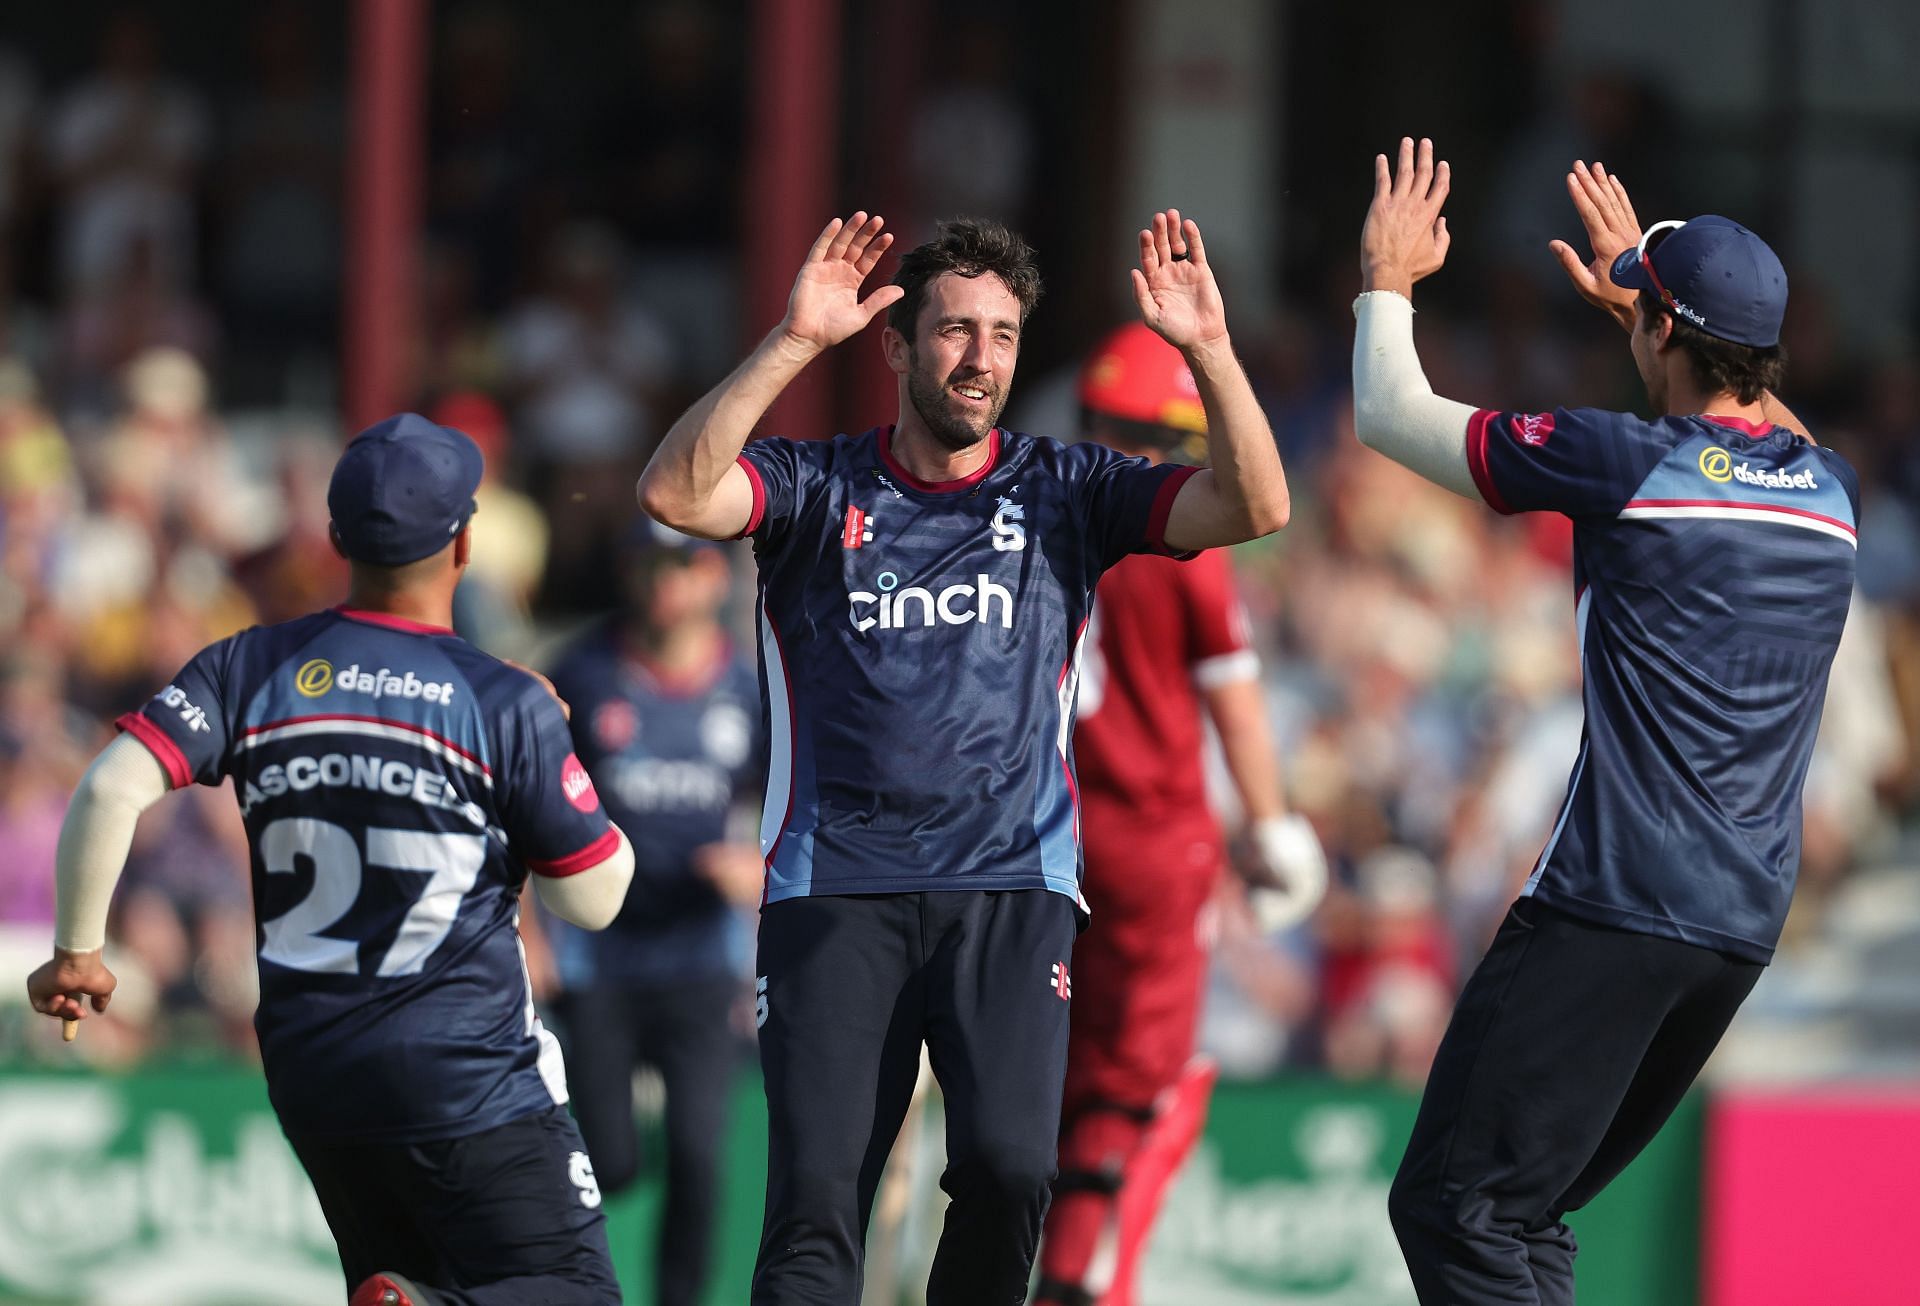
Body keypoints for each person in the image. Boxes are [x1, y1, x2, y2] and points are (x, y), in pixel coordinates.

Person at [636, 209, 1291, 1304]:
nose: (978, 358)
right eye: (951, 331)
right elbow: (674, 492)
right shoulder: (815, 484)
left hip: (1011, 885)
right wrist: (792, 342)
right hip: (835, 884)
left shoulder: (1067, 488)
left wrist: (1209, 351)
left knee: (1010, 1169)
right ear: (896, 346)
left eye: (1001, 334)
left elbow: (1257, 503)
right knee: (817, 1201)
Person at [1352, 139, 1857, 1302]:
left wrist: (1386, 275)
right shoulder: (1833, 491)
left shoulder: (1625, 460)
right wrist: (1654, 287)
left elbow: (1386, 414)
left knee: (1456, 1206)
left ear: (1662, 333)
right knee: (1527, 1214)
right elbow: (1766, 420)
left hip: (1613, 903)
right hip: (1736, 929)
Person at [26, 413, 638, 1306]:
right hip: (468, 1076)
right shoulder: (502, 698)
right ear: (466, 543)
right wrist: (556, 758)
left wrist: (79, 951)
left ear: (336, 536)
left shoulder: (246, 664)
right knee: (571, 1292)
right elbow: (594, 902)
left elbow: (110, 789)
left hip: (316, 1075)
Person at [1032, 323, 1328, 1306]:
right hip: (1157, 841)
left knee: (1061, 1076)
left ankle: (1055, 1263)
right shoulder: (1184, 539)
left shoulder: (1038, 516)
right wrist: (1275, 821)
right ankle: (1088, 1275)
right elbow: (1233, 696)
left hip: (1044, 841)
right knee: (1148, 1086)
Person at [544, 520, 765, 1306]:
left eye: (682, 565)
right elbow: (525, 803)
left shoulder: (748, 688)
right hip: (599, 955)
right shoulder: (584, 673)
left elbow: (795, 801)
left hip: (701, 959)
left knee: (702, 1159)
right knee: (607, 1162)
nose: (663, 582)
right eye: (647, 564)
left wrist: (756, 864)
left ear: (713, 578)